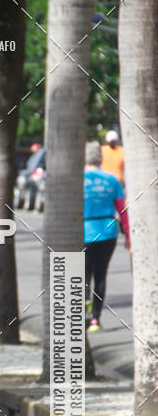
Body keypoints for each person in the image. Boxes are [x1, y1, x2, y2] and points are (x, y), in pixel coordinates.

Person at [84, 141, 130, 332]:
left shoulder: (77, 179)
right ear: (101, 158)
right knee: (100, 275)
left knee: (83, 275)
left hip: (84, 230)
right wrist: (128, 235)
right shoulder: (112, 180)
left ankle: (83, 315)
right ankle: (95, 318)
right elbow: (122, 209)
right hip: (108, 231)